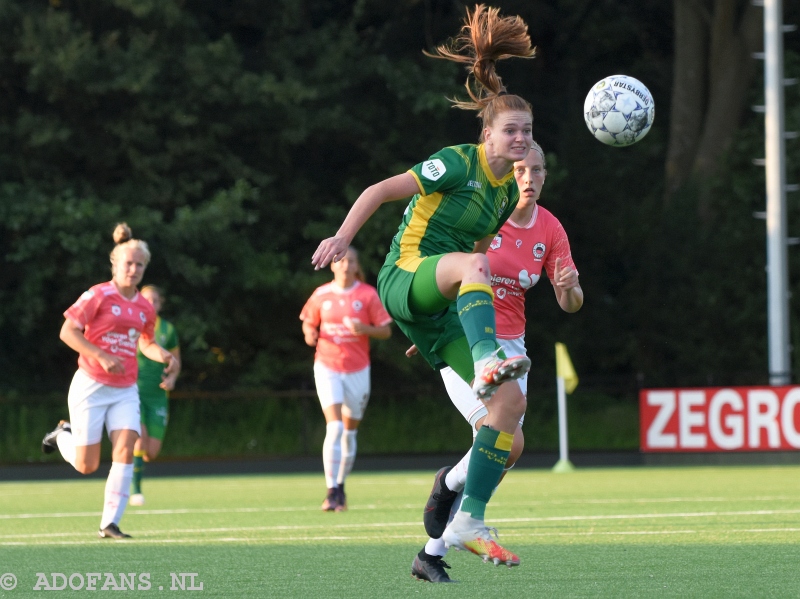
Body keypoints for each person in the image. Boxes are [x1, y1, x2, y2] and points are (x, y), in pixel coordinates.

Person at [312, 4, 536, 567]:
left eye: (527, 132)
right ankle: (487, 358)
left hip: (433, 303)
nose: (519, 139)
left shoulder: (508, 192)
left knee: (510, 409)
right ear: (487, 134)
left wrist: (436, 315)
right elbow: (379, 190)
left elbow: (478, 254)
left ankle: (468, 520)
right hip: (402, 275)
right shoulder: (457, 163)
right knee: (476, 271)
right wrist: (342, 239)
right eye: (510, 130)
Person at [412, 143, 583, 582]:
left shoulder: (551, 229)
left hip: (514, 347)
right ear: (509, 172)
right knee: (510, 441)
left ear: (546, 176)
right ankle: (452, 501)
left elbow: (572, 304)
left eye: (537, 171)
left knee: (503, 450)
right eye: (522, 169)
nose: (529, 178)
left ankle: (435, 536)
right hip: (467, 340)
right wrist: (430, 323)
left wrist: (567, 288)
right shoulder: (488, 214)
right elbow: (446, 268)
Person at [41, 223, 180, 539]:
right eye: (128, 263)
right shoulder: (98, 295)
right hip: (91, 384)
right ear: (115, 265)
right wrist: (100, 355)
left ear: (145, 268)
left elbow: (145, 343)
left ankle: (110, 523)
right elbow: (67, 332)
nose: (133, 269)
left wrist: (165, 357)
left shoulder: (145, 307)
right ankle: (63, 434)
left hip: (124, 388)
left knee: (126, 448)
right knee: (86, 465)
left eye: (139, 265)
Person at [300, 246, 392, 511]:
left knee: (349, 432)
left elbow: (385, 332)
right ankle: (331, 491)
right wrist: (309, 334)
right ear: (332, 266)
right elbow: (308, 321)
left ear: (355, 266)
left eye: (350, 260)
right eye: (340, 260)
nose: (344, 264)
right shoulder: (322, 294)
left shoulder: (367, 294)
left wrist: (365, 329)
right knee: (335, 427)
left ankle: (341, 486)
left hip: (358, 370)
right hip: (327, 366)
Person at [129, 285, 181, 507]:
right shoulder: (131, 323)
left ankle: (132, 468)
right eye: (146, 299)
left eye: (155, 300)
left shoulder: (168, 330)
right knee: (139, 437)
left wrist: (172, 378)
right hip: (134, 391)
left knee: (151, 452)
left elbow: (176, 362)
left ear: (160, 304)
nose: (151, 304)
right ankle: (135, 490)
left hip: (158, 396)